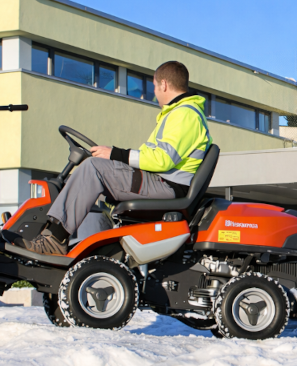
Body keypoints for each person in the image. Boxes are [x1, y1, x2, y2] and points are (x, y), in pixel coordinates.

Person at [16, 61, 212, 255]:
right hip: (162, 182)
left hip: (166, 185)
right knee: (98, 167)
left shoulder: (185, 115)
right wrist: (115, 159)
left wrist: (115, 154)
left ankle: (54, 240)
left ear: (164, 84)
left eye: (154, 86)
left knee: (94, 167)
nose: (155, 92)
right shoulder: (180, 113)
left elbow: (161, 160)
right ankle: (57, 236)